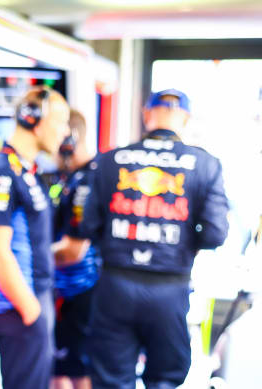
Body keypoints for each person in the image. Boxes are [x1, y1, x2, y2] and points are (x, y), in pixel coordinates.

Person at [81, 89, 229, 389]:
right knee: (164, 380)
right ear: (185, 118)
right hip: (169, 288)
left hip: (115, 285)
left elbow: (88, 226)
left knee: (110, 381)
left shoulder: (111, 160)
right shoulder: (205, 164)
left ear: (147, 114)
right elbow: (216, 233)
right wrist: (182, 243)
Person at [0, 86, 70, 389]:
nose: (65, 132)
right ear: (33, 119)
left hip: (36, 302)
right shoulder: (2, 171)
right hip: (19, 309)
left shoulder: (28, 169)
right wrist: (30, 310)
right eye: (60, 122)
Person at [50, 110, 98, 389]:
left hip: (80, 292)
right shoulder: (78, 176)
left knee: (69, 373)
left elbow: (73, 251)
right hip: (75, 293)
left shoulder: (87, 180)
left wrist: (32, 257)